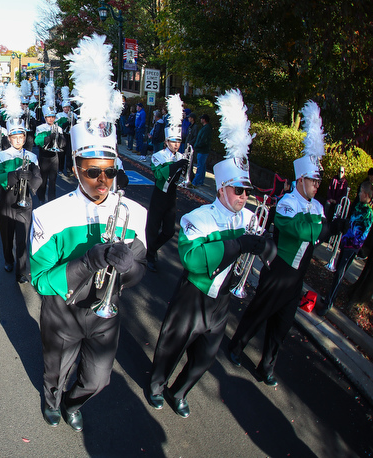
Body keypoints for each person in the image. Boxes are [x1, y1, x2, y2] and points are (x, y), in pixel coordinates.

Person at [30, 34, 147, 432]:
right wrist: (90, 260)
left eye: (110, 172)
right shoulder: (50, 215)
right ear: (75, 168)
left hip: (105, 312)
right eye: (92, 171)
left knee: (99, 380)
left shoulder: (133, 212)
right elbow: (42, 282)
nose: (103, 181)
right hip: (63, 311)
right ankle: (52, 399)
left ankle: (74, 402)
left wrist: (130, 265)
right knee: (54, 372)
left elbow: (139, 273)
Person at [148, 89, 275, 418]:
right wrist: (238, 244)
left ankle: (180, 391)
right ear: (221, 189)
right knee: (172, 345)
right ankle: (157, 385)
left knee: (204, 357)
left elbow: (260, 246)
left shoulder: (249, 218)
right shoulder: (198, 218)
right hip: (194, 294)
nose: (245, 197)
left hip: (222, 301)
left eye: (247, 191)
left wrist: (267, 245)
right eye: (239, 190)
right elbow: (193, 261)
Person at [227, 100, 339, 388]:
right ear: (301, 179)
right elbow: (295, 229)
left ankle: (267, 366)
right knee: (260, 311)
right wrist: (322, 226)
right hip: (280, 268)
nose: (317, 185)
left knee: (283, 325)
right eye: (314, 180)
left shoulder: (316, 207)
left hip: (298, 275)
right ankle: (236, 346)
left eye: (319, 181)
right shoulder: (289, 202)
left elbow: (319, 232)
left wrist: (328, 226)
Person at [0, 86, 42, 284]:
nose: (18, 140)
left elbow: (38, 179)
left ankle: (22, 270)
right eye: (15, 137)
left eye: (21, 137)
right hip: (6, 201)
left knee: (22, 238)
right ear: (9, 138)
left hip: (25, 202)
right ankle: (8, 258)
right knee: (7, 236)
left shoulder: (31, 156)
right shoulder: (1, 155)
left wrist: (30, 177)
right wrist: (14, 175)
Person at [146, 95, 189, 273]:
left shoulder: (181, 156)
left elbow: (183, 176)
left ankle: (152, 249)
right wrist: (177, 165)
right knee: (153, 227)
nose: (176, 144)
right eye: (173, 141)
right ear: (166, 141)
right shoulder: (158, 156)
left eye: (178, 141)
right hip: (159, 195)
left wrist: (186, 168)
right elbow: (160, 175)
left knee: (170, 231)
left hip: (171, 196)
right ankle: (150, 256)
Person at [319, 181, 373, 315]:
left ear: (366, 194)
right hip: (346, 243)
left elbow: (362, 233)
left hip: (352, 247)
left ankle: (328, 304)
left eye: (361, 192)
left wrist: (350, 238)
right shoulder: (359, 207)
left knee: (339, 274)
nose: (359, 194)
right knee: (338, 272)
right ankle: (329, 299)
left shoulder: (368, 212)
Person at [35, 91, 66, 203]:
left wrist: (60, 138)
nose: (51, 119)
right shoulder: (41, 128)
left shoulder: (58, 128)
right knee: (42, 181)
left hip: (54, 158)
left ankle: (52, 200)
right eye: (49, 117)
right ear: (45, 117)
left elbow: (63, 144)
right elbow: (37, 141)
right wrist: (49, 137)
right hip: (44, 157)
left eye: (53, 117)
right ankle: (41, 199)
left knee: (53, 181)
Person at [190, 114, 212, 187]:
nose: (200, 120)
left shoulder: (206, 129)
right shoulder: (206, 128)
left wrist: (197, 146)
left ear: (204, 120)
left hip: (202, 150)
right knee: (202, 166)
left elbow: (203, 140)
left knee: (200, 166)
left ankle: (195, 182)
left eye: (201, 119)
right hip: (203, 150)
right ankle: (200, 181)